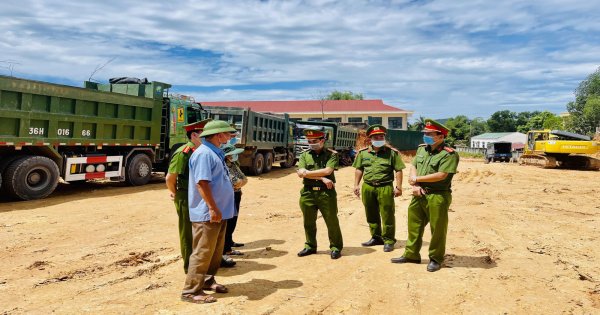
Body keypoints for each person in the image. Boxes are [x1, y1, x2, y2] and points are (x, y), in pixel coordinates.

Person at [391, 119, 459, 272]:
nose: (426, 136)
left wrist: (417, 180)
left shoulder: (449, 154)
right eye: (425, 134)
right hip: (418, 194)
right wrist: (415, 185)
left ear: (441, 136)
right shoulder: (422, 149)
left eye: (430, 134)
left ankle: (435, 258)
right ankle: (411, 255)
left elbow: (441, 175)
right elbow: (414, 165)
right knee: (414, 225)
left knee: (437, 229)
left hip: (438, 196)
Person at [181, 120, 237, 304]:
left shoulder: (214, 153)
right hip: (208, 213)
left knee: (215, 252)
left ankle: (207, 280)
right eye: (227, 134)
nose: (229, 137)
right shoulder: (204, 154)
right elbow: (202, 183)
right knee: (203, 252)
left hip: (219, 212)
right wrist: (212, 208)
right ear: (218, 135)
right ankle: (190, 291)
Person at [165, 118, 211, 274]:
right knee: (188, 233)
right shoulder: (184, 153)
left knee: (201, 231)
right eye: (203, 134)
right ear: (194, 136)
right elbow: (170, 178)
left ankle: (200, 263)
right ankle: (189, 267)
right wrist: (176, 193)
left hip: (201, 195)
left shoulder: (202, 152)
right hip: (186, 195)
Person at [352, 124, 405, 252]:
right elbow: (359, 169)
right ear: (370, 139)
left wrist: (399, 187)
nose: (379, 138)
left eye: (381, 136)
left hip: (385, 187)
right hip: (368, 187)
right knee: (371, 214)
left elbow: (398, 170)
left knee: (387, 214)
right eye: (376, 136)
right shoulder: (363, 153)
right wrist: (356, 185)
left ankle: (388, 240)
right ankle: (376, 237)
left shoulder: (392, 153)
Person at [296, 129, 344, 259]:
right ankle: (310, 246)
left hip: (326, 194)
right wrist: (321, 178)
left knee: (331, 221)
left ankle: (335, 247)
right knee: (308, 222)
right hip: (308, 193)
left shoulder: (332, 155)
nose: (312, 144)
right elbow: (300, 173)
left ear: (322, 140)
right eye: (309, 141)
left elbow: (328, 170)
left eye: (315, 141)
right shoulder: (304, 155)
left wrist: (307, 173)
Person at [221, 143, 247, 257]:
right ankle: (226, 249)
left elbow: (244, 179)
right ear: (227, 155)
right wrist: (239, 183)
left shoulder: (233, 164)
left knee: (233, 220)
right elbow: (235, 181)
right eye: (233, 154)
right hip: (228, 196)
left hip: (236, 194)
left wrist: (239, 183)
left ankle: (229, 243)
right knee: (229, 221)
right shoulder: (223, 165)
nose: (235, 156)